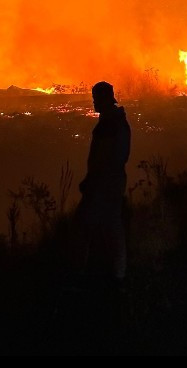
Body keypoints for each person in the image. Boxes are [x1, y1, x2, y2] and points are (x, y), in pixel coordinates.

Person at [70, 81, 132, 284]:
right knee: (109, 225)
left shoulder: (109, 125)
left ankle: (85, 274)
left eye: (96, 98)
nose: (93, 102)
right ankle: (113, 272)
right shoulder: (116, 121)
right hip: (112, 181)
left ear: (103, 99)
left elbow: (102, 158)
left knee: (87, 226)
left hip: (105, 183)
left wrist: (91, 181)